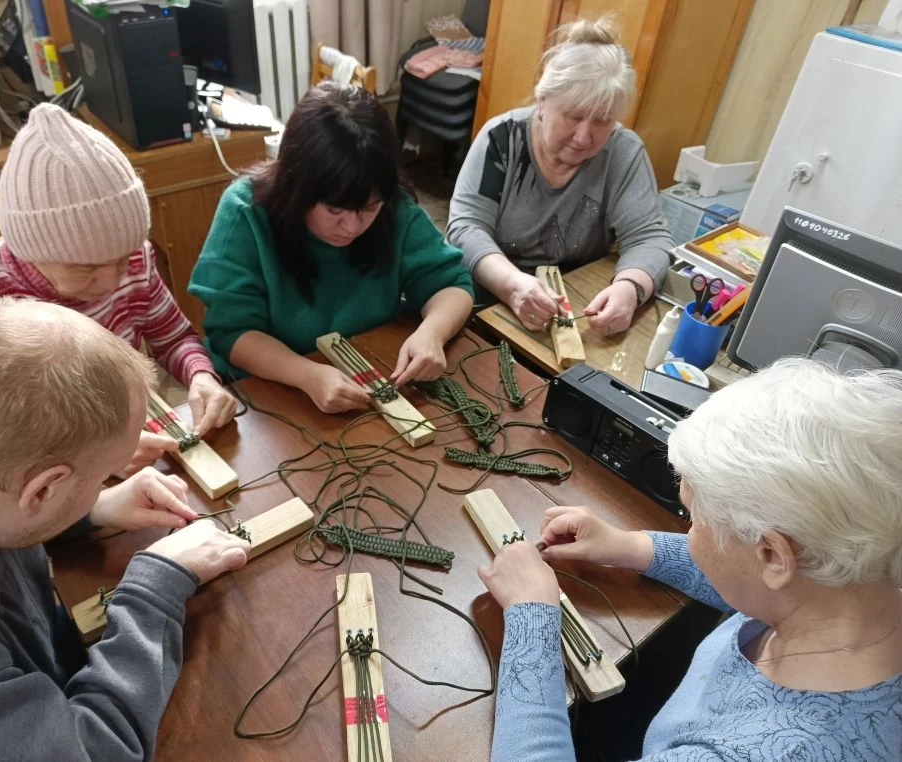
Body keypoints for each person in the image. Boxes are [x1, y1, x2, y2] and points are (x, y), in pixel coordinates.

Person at [479, 358, 902, 760]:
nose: (689, 529)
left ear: (772, 553)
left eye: (693, 518)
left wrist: (531, 613)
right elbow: (764, 576)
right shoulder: (859, 576)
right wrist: (632, 548)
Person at [0, 297, 251, 759]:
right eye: (103, 476)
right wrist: (155, 587)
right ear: (42, 491)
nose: (106, 485)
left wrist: (92, 508)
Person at [0, 103, 237, 476]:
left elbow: (173, 337)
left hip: (135, 437)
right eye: (87, 269)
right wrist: (90, 458)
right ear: (31, 250)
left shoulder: (134, 259)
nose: (114, 281)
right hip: (48, 472)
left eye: (124, 258)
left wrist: (201, 376)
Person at [189, 83, 474, 414]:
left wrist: (432, 333)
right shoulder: (245, 213)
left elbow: (452, 284)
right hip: (265, 394)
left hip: (362, 371)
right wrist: (306, 375)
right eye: (335, 210)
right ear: (298, 187)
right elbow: (232, 332)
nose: (353, 227)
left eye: (370, 207)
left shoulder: (394, 207)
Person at [446, 17, 674, 337]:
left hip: (575, 308)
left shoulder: (623, 151)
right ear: (542, 100)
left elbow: (650, 239)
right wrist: (513, 285)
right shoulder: (502, 138)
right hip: (491, 293)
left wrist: (629, 288)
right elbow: (464, 228)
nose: (583, 137)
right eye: (574, 116)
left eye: (602, 121)